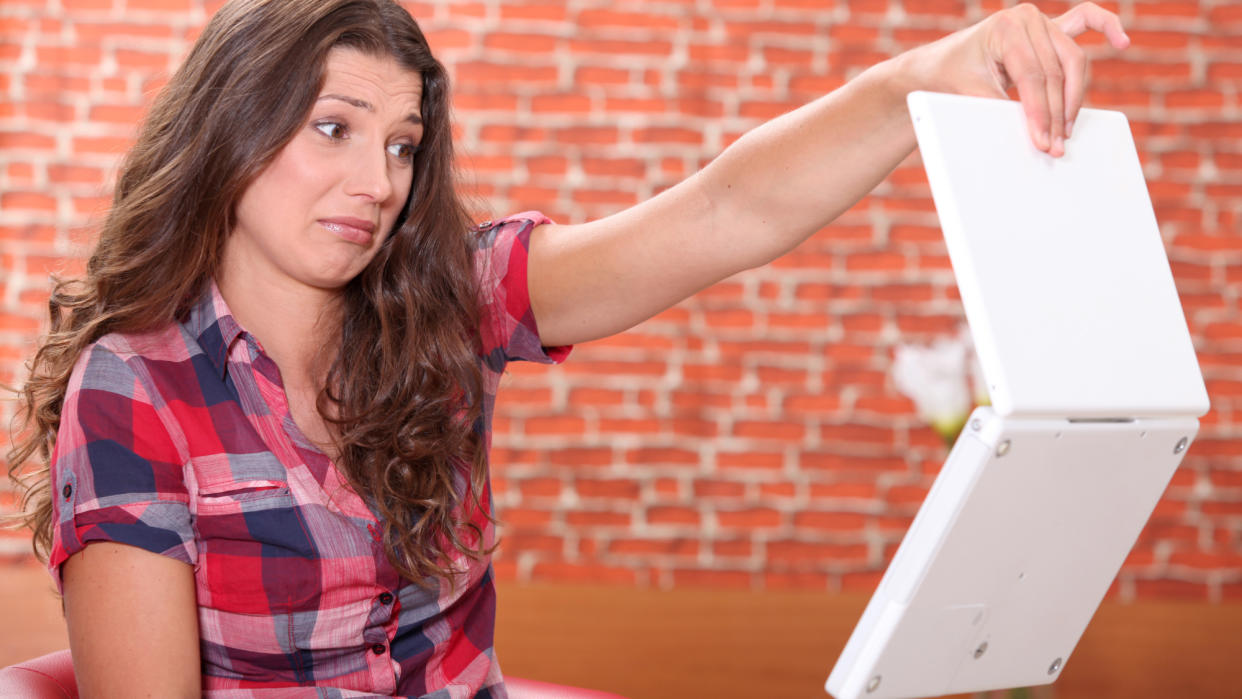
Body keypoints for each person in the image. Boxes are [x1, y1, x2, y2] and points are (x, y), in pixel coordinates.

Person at [5, 0, 1129, 696]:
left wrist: (920, 79)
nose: (376, 183)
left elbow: (718, 215)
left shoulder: (451, 296)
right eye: (333, 128)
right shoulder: (134, 388)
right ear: (234, 123)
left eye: (401, 146)